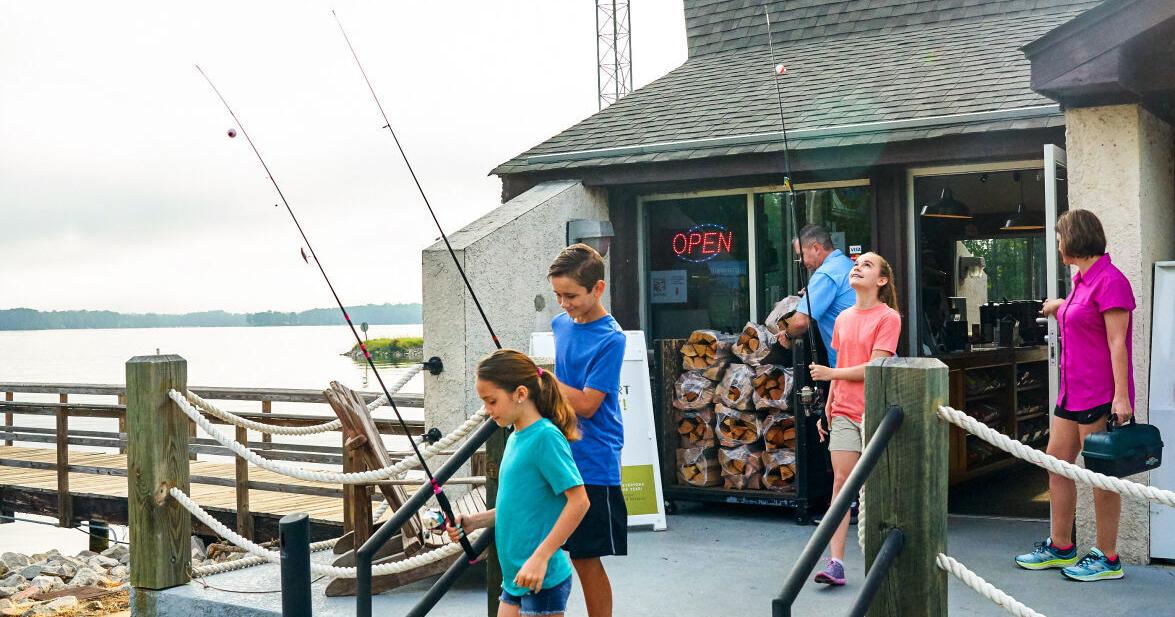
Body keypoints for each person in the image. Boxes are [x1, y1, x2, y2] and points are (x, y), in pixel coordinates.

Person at [1015, 209, 1135, 582]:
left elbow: (1117, 342)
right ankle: (1061, 545)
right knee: (1057, 464)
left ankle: (1108, 557)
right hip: (1072, 392)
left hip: (1099, 393)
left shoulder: (1112, 281)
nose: (1056, 243)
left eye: (1058, 237)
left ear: (1074, 239)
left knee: (1098, 474)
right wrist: (1058, 306)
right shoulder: (1082, 280)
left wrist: (1121, 398)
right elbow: (1081, 315)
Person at [447, 349, 590, 617]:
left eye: (492, 401)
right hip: (515, 577)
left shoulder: (546, 437)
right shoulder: (514, 436)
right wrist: (474, 521)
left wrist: (541, 557)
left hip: (541, 579)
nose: (488, 411)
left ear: (521, 394)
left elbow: (580, 501)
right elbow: (519, 507)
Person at [806, 252, 902, 586]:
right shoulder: (843, 318)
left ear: (882, 281)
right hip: (844, 411)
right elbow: (841, 361)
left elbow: (874, 368)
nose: (858, 268)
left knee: (879, 487)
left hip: (877, 412)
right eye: (857, 265)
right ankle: (836, 562)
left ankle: (885, 557)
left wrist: (831, 373)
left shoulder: (889, 318)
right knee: (841, 484)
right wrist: (828, 405)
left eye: (868, 265)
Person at [547, 244, 627, 617]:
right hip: (559, 452)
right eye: (558, 295)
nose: (564, 304)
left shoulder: (612, 338)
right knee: (546, 549)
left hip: (594, 459)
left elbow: (588, 404)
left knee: (585, 557)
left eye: (571, 295)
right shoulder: (560, 324)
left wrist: (545, 381)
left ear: (598, 288)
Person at [776, 225, 856, 368]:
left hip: (849, 366)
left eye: (801, 254)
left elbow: (800, 322)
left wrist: (787, 335)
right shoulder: (847, 264)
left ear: (816, 248)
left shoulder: (825, 274)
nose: (801, 260)